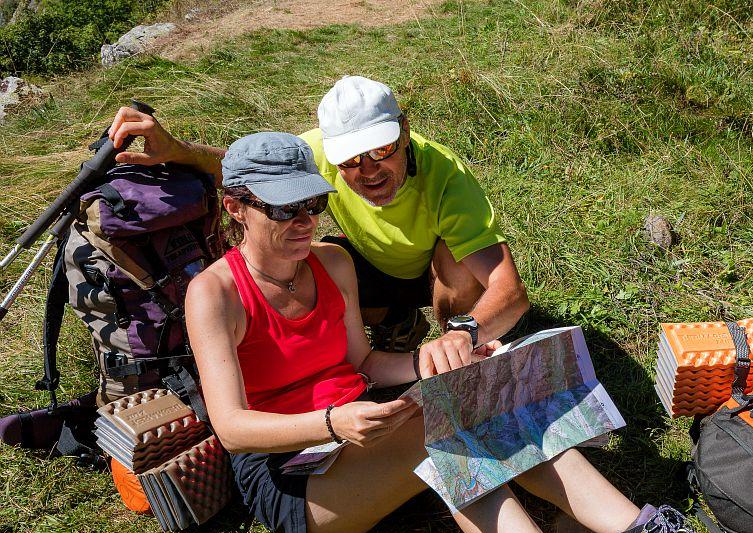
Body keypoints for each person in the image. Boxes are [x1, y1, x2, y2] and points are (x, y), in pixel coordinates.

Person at [184, 132, 753, 533]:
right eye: (282, 209)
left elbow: (365, 365)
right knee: (443, 427)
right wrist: (333, 422)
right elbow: (234, 430)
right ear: (235, 207)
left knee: (477, 392)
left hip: (361, 424)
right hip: (291, 472)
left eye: (311, 204)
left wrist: (442, 358)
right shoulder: (213, 293)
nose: (303, 222)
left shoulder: (332, 263)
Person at [109, 75, 528, 377]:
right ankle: (393, 323)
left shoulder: (446, 178)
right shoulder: (317, 153)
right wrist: (176, 150)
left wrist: (465, 333)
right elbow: (254, 173)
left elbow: (509, 290)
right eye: (350, 160)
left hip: (428, 274)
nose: (369, 172)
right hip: (364, 265)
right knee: (308, 256)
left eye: (380, 149)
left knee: (457, 261)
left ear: (404, 130)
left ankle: (455, 363)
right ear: (332, 152)